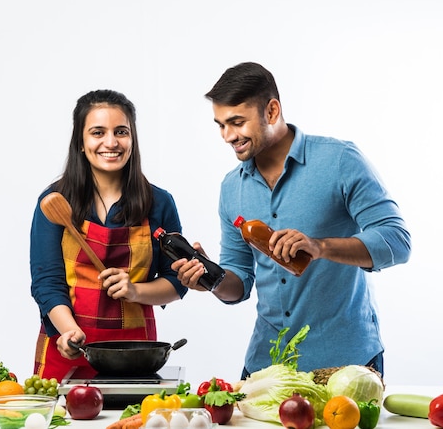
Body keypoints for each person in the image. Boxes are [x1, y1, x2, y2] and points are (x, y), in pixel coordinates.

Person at [174, 62, 411, 378]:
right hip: (266, 366)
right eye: (220, 125)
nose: (228, 136)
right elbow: (239, 282)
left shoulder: (339, 160)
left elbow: (396, 240)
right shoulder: (232, 188)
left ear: (271, 111)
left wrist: (320, 246)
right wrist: (210, 276)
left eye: (237, 122)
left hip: (346, 363)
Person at [30, 89, 187, 380]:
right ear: (81, 141)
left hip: (136, 355)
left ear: (133, 139)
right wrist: (69, 331)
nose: (111, 142)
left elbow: (177, 281)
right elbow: (46, 283)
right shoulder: (55, 202)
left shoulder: (159, 203)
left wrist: (135, 291)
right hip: (68, 350)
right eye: (98, 132)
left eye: (121, 132)